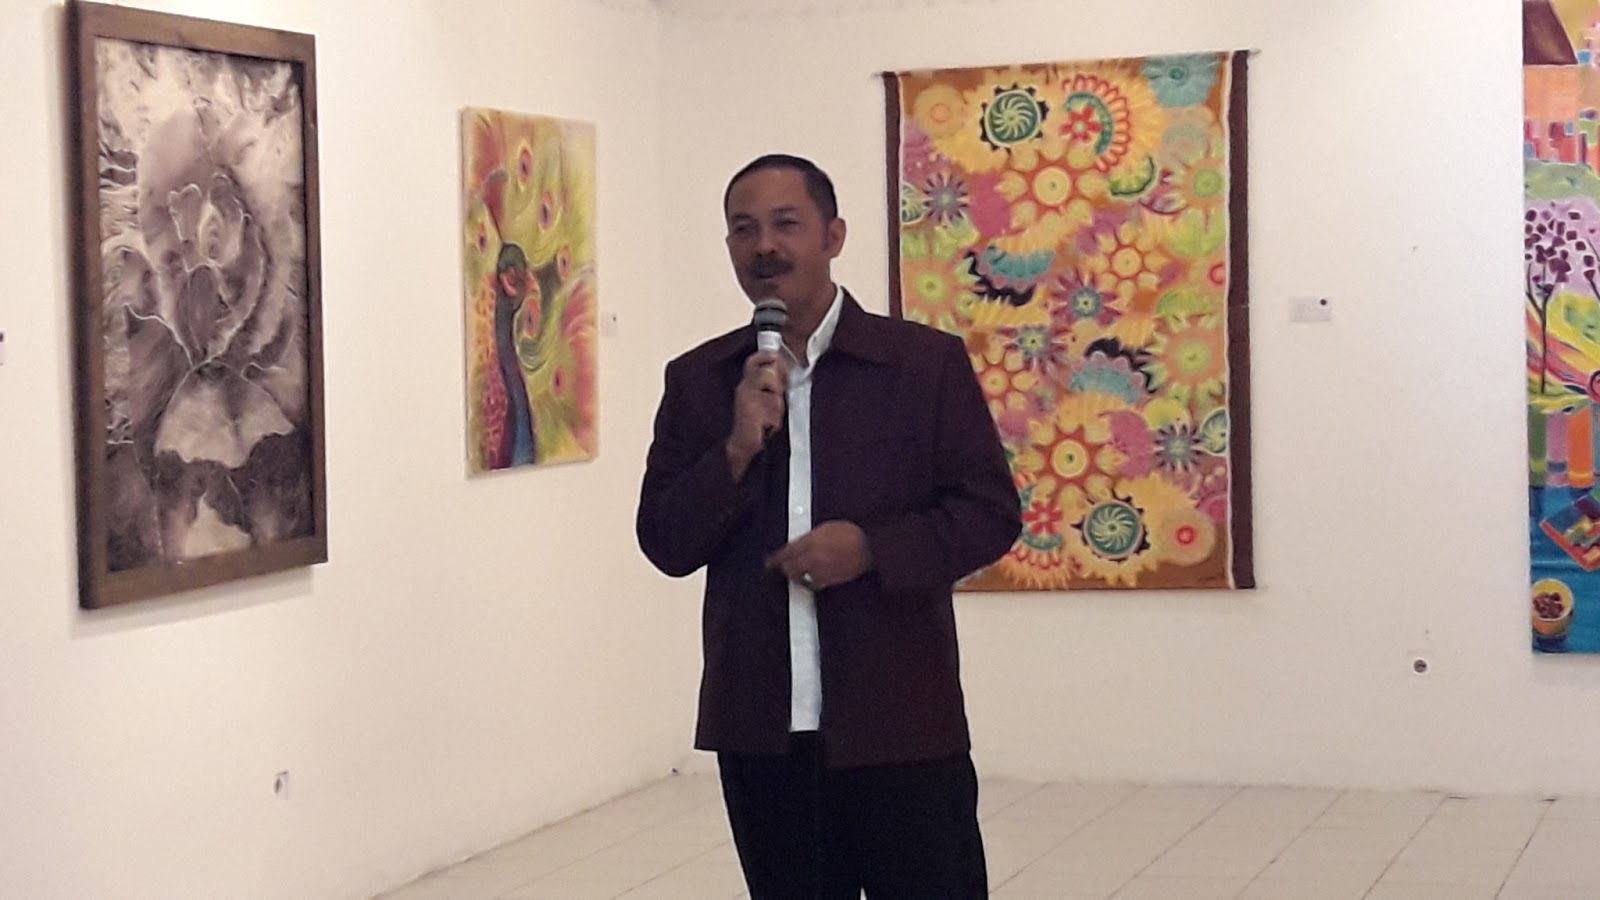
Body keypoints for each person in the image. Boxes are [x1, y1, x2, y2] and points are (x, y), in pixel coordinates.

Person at [635, 153, 1021, 899]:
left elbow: (988, 513)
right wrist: (735, 449)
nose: (764, 247)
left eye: (786, 224)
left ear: (833, 236)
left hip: (900, 717)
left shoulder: (921, 365)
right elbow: (665, 542)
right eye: (743, 230)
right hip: (762, 729)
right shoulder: (700, 381)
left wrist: (873, 549)